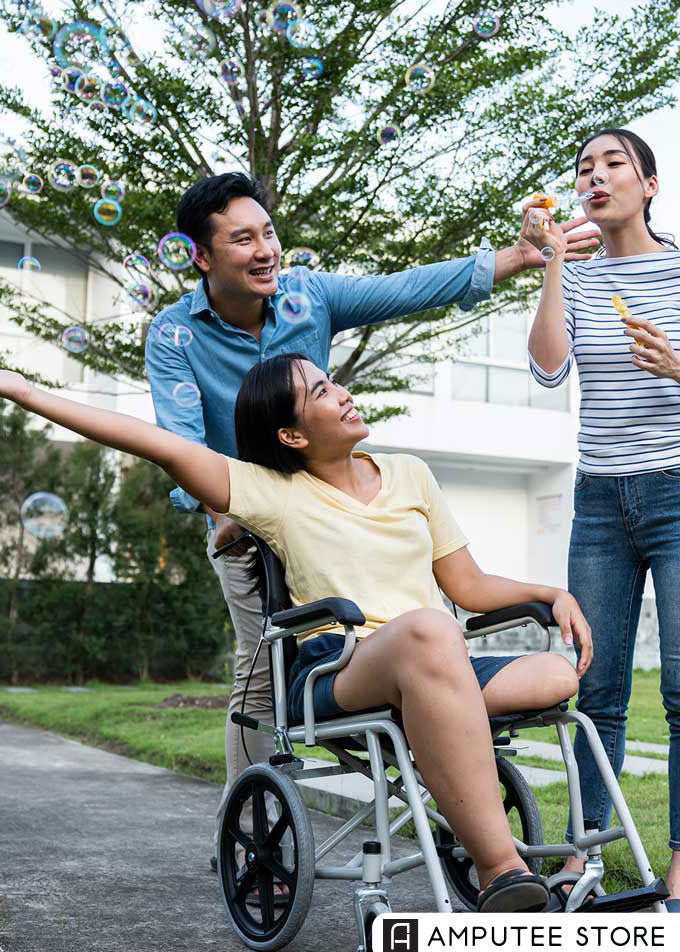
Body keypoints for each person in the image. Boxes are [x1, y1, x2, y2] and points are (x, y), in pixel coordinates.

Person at [0, 349, 593, 912]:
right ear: (294, 436)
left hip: (435, 658)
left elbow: (468, 588)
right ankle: (500, 867)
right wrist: (22, 389)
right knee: (427, 633)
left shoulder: (411, 475)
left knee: (555, 674)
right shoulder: (271, 492)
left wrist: (548, 592)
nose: (344, 393)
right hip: (342, 666)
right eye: (323, 392)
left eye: (332, 382)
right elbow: (152, 442)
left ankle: (438, 724)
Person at [144, 172, 600, 854]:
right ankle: (249, 833)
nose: (265, 249)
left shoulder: (308, 296)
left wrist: (515, 258)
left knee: (435, 646)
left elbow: (408, 288)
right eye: (243, 239)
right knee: (259, 676)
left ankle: (444, 766)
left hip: (334, 500)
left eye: (268, 231)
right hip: (244, 518)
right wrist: (221, 515)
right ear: (202, 257)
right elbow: (179, 442)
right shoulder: (175, 334)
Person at [524, 127, 680, 910]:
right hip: (600, 501)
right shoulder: (577, 277)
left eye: (614, 162)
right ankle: (584, 853)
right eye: (583, 165)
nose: (596, 174)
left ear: (649, 184)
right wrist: (555, 260)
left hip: (679, 493)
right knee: (595, 687)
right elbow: (550, 367)